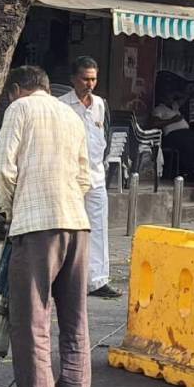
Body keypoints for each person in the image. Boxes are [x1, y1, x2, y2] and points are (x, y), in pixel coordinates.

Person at [0, 65, 92, 387]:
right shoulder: (71, 115)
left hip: (36, 226)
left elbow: (5, 171)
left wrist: (11, 213)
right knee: (74, 316)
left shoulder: (19, 109)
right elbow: (85, 175)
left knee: (31, 316)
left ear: (17, 89)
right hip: (77, 226)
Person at [59, 56, 123, 299]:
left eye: (93, 79)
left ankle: (97, 280)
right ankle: (65, 278)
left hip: (95, 174)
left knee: (97, 228)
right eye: (85, 79)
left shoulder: (99, 104)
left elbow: (102, 136)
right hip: (70, 175)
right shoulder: (61, 106)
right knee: (67, 228)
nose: (89, 84)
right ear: (74, 79)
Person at [151, 76, 194, 181]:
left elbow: (184, 98)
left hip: (186, 133)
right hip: (173, 136)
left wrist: (186, 92)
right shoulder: (159, 109)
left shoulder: (175, 106)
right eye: (169, 96)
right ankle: (189, 171)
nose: (171, 98)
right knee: (187, 145)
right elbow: (155, 123)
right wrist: (173, 120)